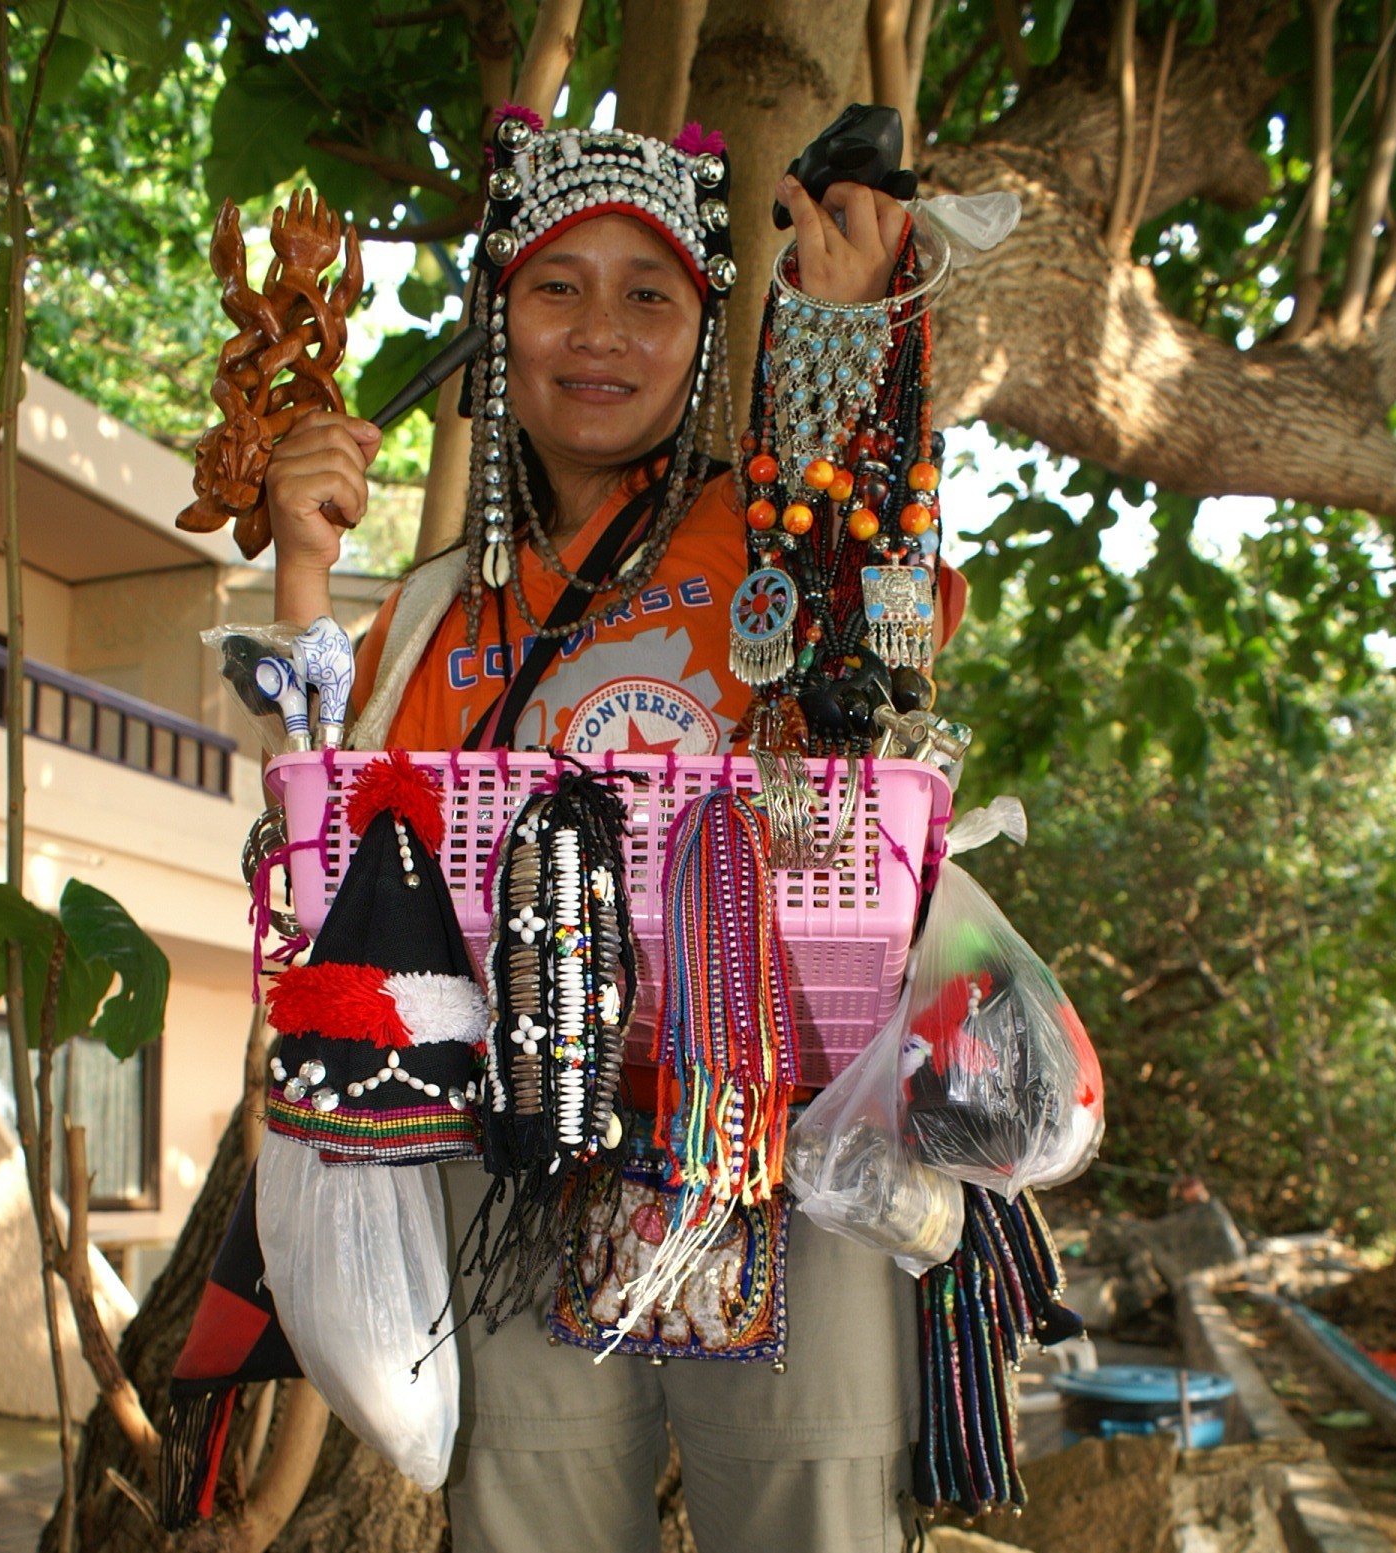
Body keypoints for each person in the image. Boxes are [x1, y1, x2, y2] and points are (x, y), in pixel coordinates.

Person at [264, 115, 965, 1553]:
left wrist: (847, 334)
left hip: (791, 1139)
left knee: (820, 1526)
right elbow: (323, 869)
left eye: (650, 294)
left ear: (707, 333)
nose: (599, 332)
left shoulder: (780, 532)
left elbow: (886, 650)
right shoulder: (437, 612)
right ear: (498, 323)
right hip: (519, 1154)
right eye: (555, 287)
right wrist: (305, 571)